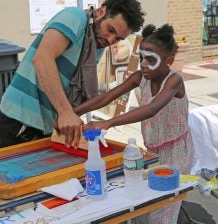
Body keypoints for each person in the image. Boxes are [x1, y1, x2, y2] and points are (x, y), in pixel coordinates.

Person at [74, 24, 194, 223]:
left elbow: (151, 109)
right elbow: (107, 97)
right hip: (153, 152)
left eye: (151, 59)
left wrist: (107, 123)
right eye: (141, 58)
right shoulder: (140, 77)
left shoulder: (174, 81)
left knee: (162, 211)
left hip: (177, 154)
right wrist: (70, 113)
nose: (144, 64)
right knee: (143, 205)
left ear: (169, 60)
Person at [0, 0, 145, 149]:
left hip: (48, 125)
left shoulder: (95, 44)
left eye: (118, 38)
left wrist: (74, 115)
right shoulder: (75, 17)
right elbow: (42, 59)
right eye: (110, 30)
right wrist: (65, 112)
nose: (110, 40)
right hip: (20, 120)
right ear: (101, 12)